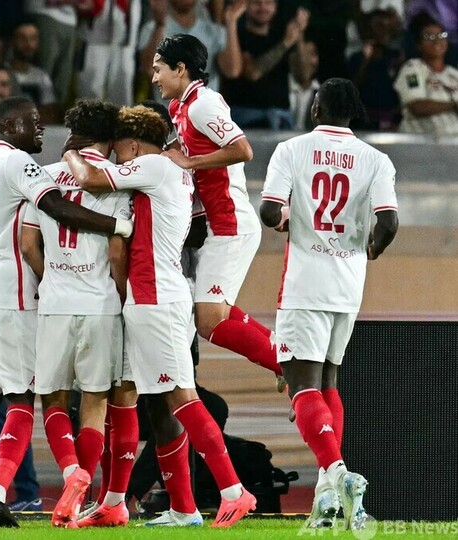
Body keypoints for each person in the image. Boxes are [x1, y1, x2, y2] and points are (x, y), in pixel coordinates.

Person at [0, 95, 133, 528]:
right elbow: (55, 206)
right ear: (8, 126)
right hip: (12, 293)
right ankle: (1, 495)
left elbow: (24, 232)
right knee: (23, 397)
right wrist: (118, 225)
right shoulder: (20, 163)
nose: (40, 128)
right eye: (31, 121)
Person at [64, 104, 256, 528]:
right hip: (153, 297)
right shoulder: (166, 171)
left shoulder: (153, 166)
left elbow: (89, 177)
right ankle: (143, 505)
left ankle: (233, 490)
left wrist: (71, 151)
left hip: (157, 300)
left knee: (183, 400)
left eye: (119, 149)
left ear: (134, 145)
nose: (117, 158)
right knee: (148, 401)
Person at [260, 78, 398, 530]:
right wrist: (372, 249)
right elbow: (389, 221)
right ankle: (328, 499)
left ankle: (340, 475)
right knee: (328, 383)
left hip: (305, 283)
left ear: (316, 108)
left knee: (301, 385)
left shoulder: (292, 150)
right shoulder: (376, 159)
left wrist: (286, 217)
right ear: (353, 112)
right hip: (348, 284)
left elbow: (269, 210)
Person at [19, 99, 131, 528]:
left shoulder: (44, 176)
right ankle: (82, 498)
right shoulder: (116, 182)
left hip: (56, 303)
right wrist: (118, 295)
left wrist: (52, 279)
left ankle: (72, 474)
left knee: (53, 398)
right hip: (101, 304)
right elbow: (117, 253)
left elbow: (29, 245)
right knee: (96, 403)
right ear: (110, 138)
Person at [153, 34, 284, 390]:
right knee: (215, 311)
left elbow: (242, 149)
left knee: (209, 320)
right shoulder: (180, 107)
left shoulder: (203, 105)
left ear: (180, 69)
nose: (154, 77)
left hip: (230, 224)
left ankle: (287, 364)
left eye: (159, 69)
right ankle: (284, 355)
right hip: (216, 224)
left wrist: (190, 161)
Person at [225, 1, 310, 130]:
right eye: (256, 3)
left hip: (282, 117)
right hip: (246, 117)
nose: (263, 7)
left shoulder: (282, 34)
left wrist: (299, 35)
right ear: (245, 5)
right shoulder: (237, 35)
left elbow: (303, 77)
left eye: (268, 2)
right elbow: (252, 73)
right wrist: (285, 43)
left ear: (275, 6)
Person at [393, 13, 458, 135]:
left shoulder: (454, 74)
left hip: (453, 142)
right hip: (421, 142)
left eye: (441, 35)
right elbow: (417, 106)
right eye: (429, 36)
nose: (436, 40)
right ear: (418, 45)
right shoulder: (412, 68)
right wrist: (453, 105)